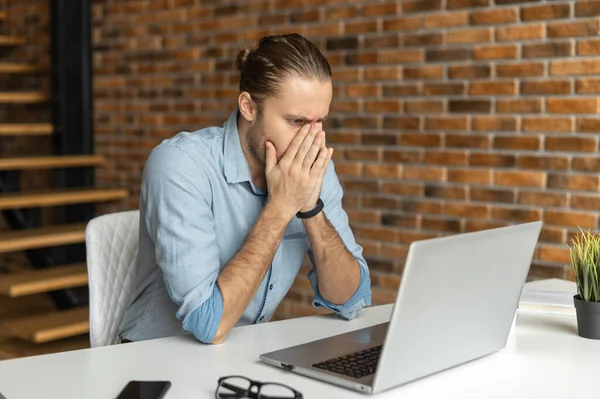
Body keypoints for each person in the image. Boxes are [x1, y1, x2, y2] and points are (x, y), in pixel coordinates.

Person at [119, 33, 372, 345]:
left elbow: (352, 300)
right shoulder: (180, 164)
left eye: (320, 122)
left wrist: (310, 209)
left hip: (239, 356)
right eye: (296, 121)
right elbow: (209, 323)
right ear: (249, 107)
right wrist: (281, 207)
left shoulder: (311, 168)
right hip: (151, 362)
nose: (312, 139)